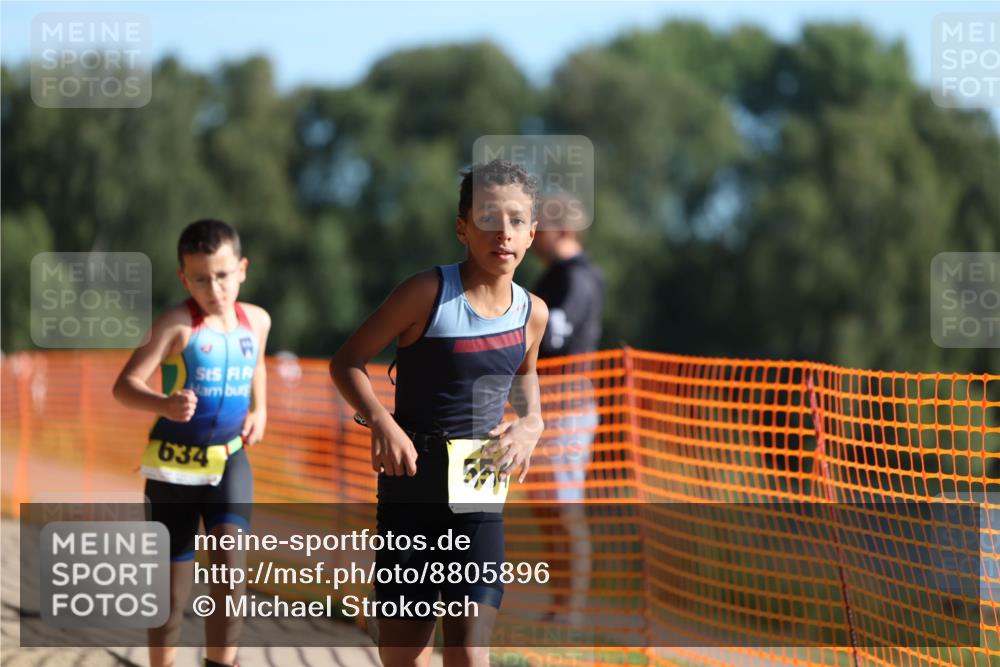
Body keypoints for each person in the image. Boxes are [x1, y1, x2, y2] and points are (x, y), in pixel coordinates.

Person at [330, 159, 549, 667]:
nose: (503, 232)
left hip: (479, 488)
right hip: (411, 490)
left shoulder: (531, 313)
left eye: (517, 220)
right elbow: (347, 363)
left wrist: (532, 424)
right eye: (489, 218)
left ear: (533, 233)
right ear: (462, 227)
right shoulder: (426, 293)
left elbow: (524, 376)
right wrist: (381, 422)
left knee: (470, 650)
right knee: (404, 657)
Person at [113, 219, 271, 667]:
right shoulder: (177, 324)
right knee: (169, 596)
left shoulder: (256, 320)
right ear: (184, 278)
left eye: (222, 275)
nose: (214, 288)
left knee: (229, 574)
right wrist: (163, 404)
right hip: (173, 469)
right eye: (200, 278)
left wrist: (261, 410)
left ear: (242, 269)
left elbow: (257, 364)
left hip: (229, 461)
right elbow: (123, 386)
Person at [529, 193, 605, 626]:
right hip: (546, 405)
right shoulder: (554, 275)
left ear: (561, 229)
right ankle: (559, 604)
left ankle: (571, 610)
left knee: (564, 505)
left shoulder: (578, 278)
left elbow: (554, 333)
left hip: (568, 406)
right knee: (545, 506)